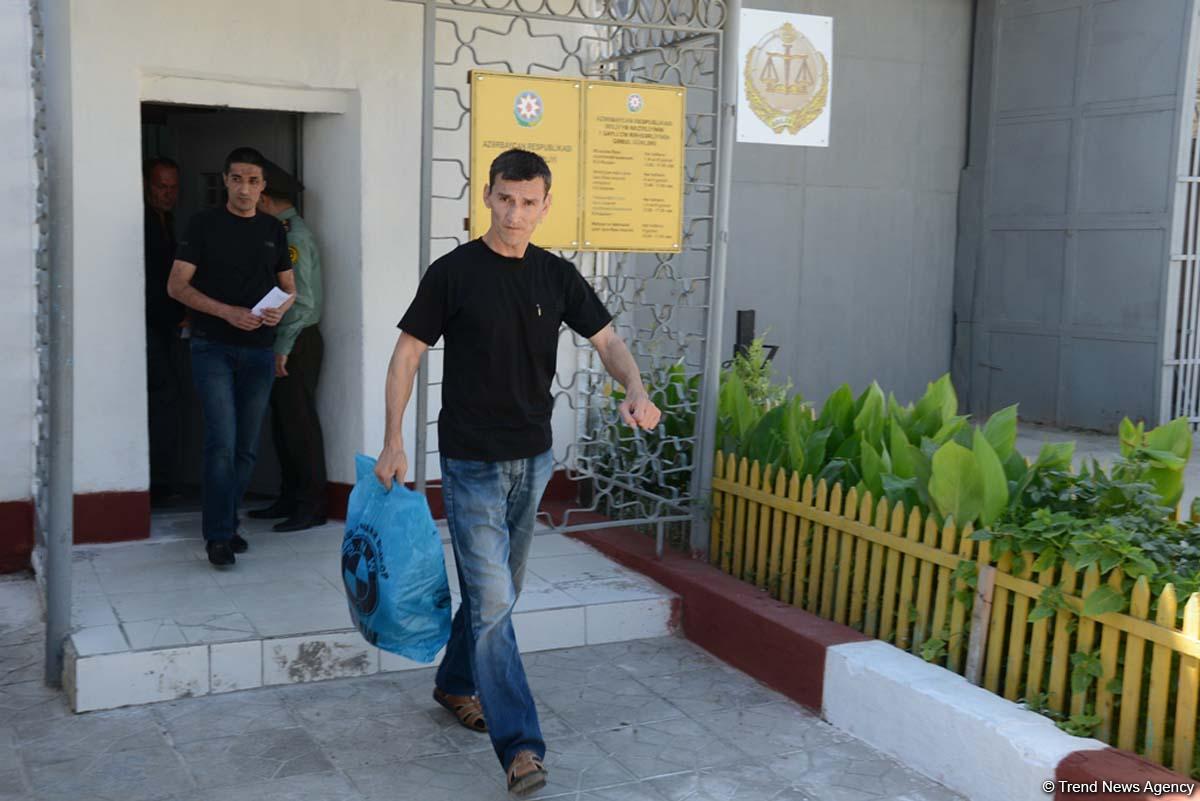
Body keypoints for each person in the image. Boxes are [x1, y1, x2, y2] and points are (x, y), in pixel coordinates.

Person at [374, 148, 662, 795]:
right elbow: (407, 354)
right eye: (505, 199)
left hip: (533, 457)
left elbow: (608, 341)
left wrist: (636, 387)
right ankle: (521, 747)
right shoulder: (453, 273)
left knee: (498, 593)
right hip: (471, 460)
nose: (515, 214)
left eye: (529, 202)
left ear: (545, 205)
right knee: (494, 601)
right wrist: (393, 439)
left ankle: (455, 681)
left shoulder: (556, 276)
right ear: (488, 196)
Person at [167, 147, 296, 568]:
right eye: (237, 179)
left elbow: (289, 288)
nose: (245, 188)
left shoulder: (273, 229)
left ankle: (227, 523)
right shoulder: (203, 225)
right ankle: (218, 536)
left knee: (246, 447)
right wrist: (227, 312)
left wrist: (280, 309)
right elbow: (176, 286)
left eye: (253, 181)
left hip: (259, 350)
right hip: (213, 347)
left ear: (263, 186)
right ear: (225, 180)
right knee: (221, 441)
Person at [247, 160, 328, 532]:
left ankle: (311, 505)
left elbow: (303, 300)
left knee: (299, 425)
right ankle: (289, 497)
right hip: (287, 339)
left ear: (265, 197)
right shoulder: (282, 231)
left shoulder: (293, 237)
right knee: (283, 423)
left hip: (297, 339)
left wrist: (283, 346)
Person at [143, 156, 187, 506]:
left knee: (169, 400)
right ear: (146, 185)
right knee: (163, 398)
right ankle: (157, 483)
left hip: (167, 327)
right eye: (161, 186)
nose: (168, 193)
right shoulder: (143, 222)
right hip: (149, 326)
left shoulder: (168, 221)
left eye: (173, 187)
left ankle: (163, 480)